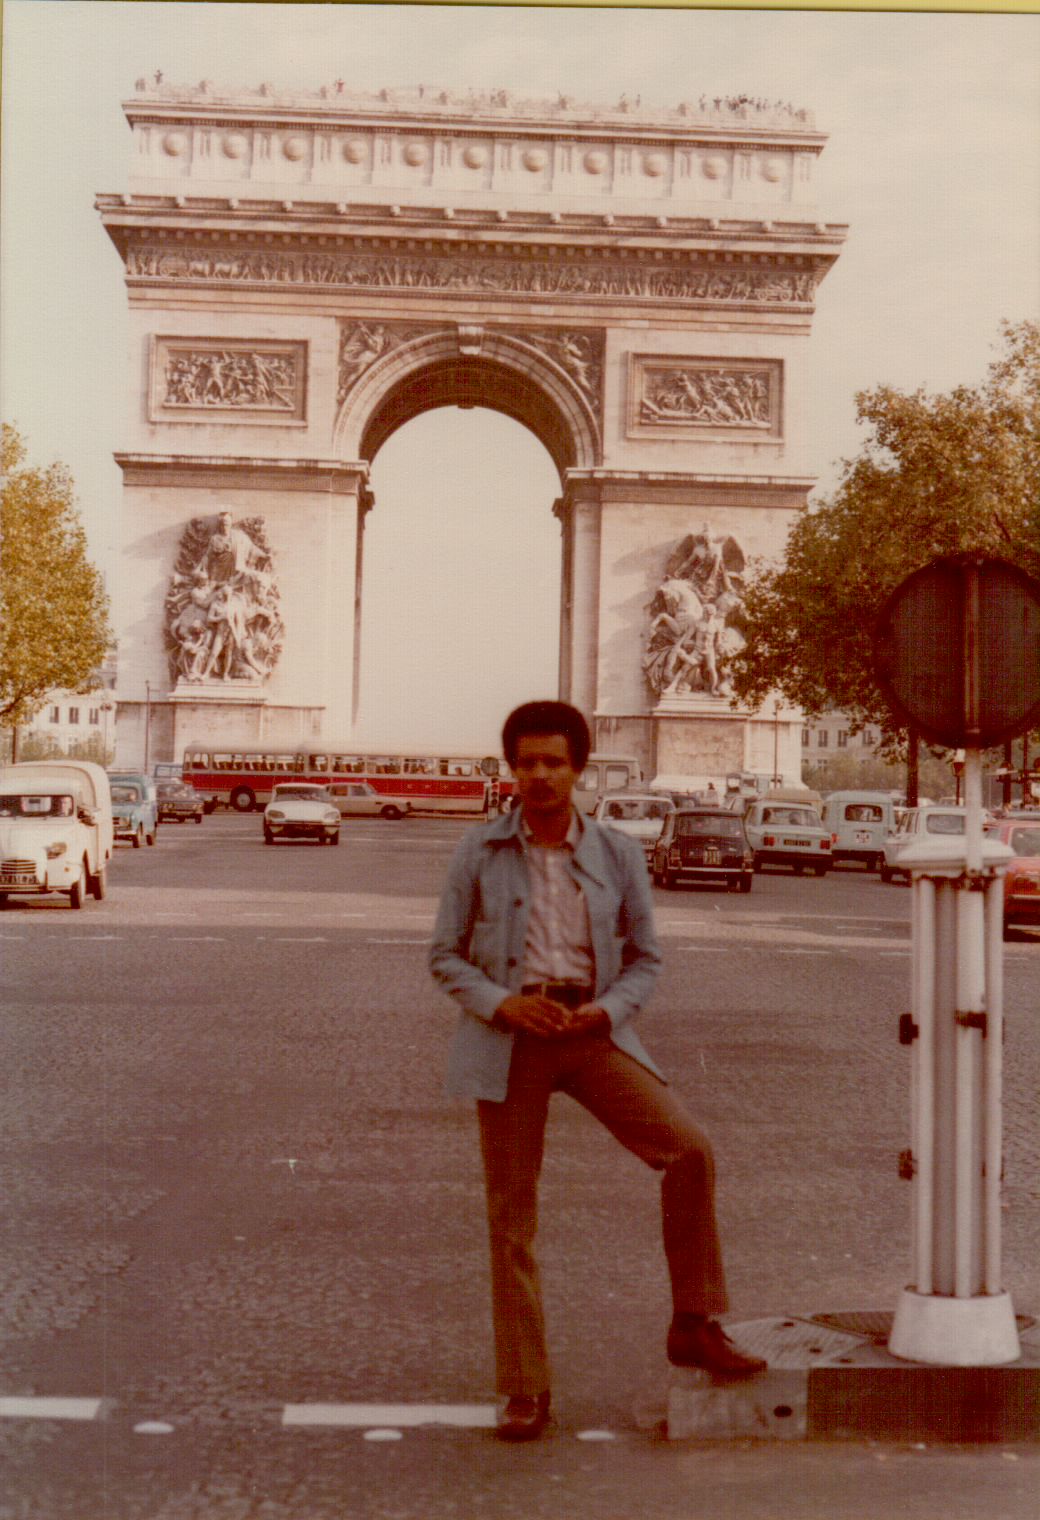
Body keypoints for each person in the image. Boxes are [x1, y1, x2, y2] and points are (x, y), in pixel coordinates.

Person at [429, 700, 765, 1443]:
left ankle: (694, 1321)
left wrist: (607, 1013)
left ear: (579, 767)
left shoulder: (617, 852)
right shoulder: (476, 852)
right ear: (510, 769)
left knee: (690, 1149)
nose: (539, 776)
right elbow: (444, 956)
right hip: (508, 1039)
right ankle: (524, 1389)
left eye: (553, 761)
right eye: (526, 763)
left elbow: (646, 959)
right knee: (511, 1219)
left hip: (589, 1031)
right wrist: (502, 1005)